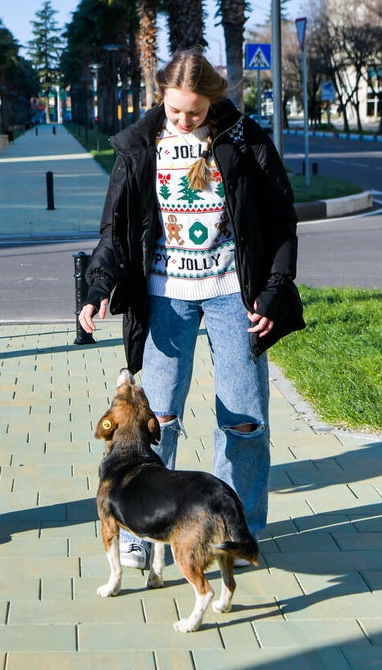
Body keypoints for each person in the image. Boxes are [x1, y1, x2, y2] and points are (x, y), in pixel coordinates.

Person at [79, 50, 304, 569]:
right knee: (156, 418)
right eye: (176, 110)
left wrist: (273, 289)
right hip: (164, 295)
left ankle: (234, 528)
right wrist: (98, 288)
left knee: (245, 421)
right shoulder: (139, 145)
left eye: (195, 112)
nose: (184, 120)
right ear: (162, 97)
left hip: (232, 294)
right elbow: (116, 230)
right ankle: (142, 528)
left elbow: (280, 218)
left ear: (213, 100)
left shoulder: (244, 139)